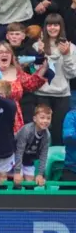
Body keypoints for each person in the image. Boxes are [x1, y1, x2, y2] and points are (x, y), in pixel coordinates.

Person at [0, 42, 48, 159]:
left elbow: (31, 84)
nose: (4, 54)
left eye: (7, 52)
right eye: (0, 52)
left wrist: (45, 67)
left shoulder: (17, 71)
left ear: (11, 56)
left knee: (9, 158)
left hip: (12, 119)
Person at [32, 14, 76, 145]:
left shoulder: (71, 47)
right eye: (49, 25)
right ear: (45, 27)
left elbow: (72, 74)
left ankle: (56, 161)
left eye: (56, 24)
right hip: (42, 94)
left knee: (58, 131)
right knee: (40, 129)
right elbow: (36, 73)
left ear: (61, 27)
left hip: (62, 94)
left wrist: (67, 55)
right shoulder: (37, 46)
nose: (52, 28)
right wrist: (39, 55)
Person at [13, 104, 52, 186]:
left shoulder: (47, 135)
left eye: (48, 118)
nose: (45, 121)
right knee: (18, 180)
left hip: (29, 159)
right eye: (42, 118)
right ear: (35, 119)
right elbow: (19, 151)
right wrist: (17, 172)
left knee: (30, 182)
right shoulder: (27, 130)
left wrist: (40, 174)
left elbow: (43, 156)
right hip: (15, 156)